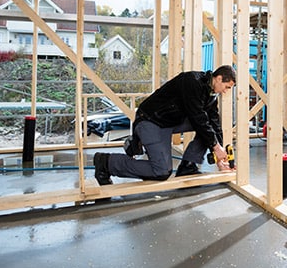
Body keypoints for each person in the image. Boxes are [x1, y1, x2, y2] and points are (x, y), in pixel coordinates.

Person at [93, 65, 237, 184]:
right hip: (151, 121)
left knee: (207, 128)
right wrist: (216, 147)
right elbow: (198, 118)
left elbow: (214, 123)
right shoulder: (192, 81)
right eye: (227, 86)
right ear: (218, 78)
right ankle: (106, 162)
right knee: (161, 172)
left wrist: (220, 155)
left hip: (169, 121)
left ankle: (188, 166)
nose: (225, 91)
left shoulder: (211, 95)